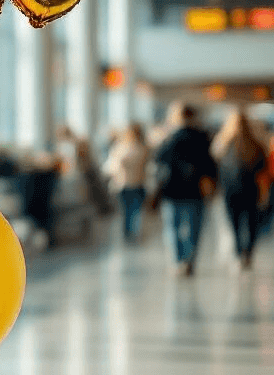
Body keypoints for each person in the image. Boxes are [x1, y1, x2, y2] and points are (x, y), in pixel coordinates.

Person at [155, 103, 217, 276]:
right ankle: (190, 260)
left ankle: (178, 261)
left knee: (172, 228)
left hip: (172, 190)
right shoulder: (202, 139)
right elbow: (210, 167)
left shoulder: (169, 139)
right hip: (195, 191)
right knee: (194, 228)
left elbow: (159, 162)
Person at [211, 109, 268, 270]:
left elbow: (215, 164)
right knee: (251, 224)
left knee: (235, 224)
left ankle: (238, 252)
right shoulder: (256, 144)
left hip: (231, 191)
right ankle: (247, 253)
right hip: (251, 190)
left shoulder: (224, 143)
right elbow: (262, 171)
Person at [103, 123, 150, 241]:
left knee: (136, 211)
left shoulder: (142, 147)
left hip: (138, 184)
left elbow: (141, 162)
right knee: (125, 212)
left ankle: (135, 234)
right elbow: (112, 166)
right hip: (122, 185)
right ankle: (127, 234)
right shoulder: (119, 147)